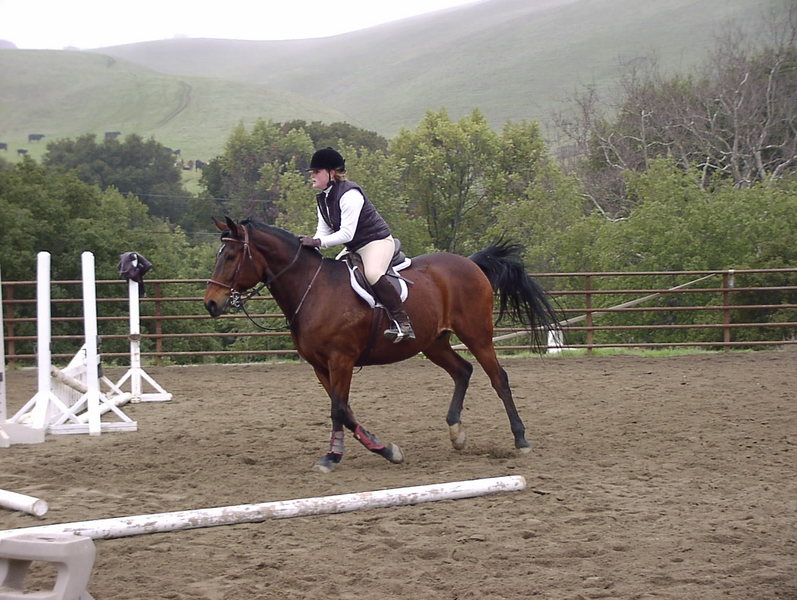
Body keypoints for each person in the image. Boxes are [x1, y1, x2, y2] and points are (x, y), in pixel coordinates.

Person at [298, 147, 415, 343]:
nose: (312, 176)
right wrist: (309, 246)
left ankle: (403, 322)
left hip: (376, 242)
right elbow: (323, 232)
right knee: (331, 275)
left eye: (316, 171)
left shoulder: (350, 194)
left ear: (331, 173)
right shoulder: (323, 199)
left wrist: (318, 242)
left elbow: (346, 233)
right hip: (354, 247)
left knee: (372, 274)